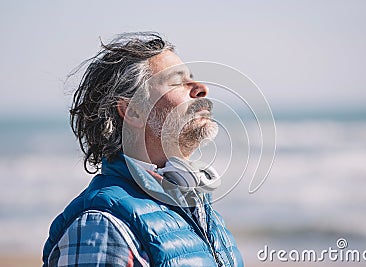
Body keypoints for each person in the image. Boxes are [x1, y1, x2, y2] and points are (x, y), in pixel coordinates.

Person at [42, 32, 244, 267]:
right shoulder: (103, 225)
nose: (202, 88)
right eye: (178, 82)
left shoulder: (199, 210)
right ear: (134, 111)